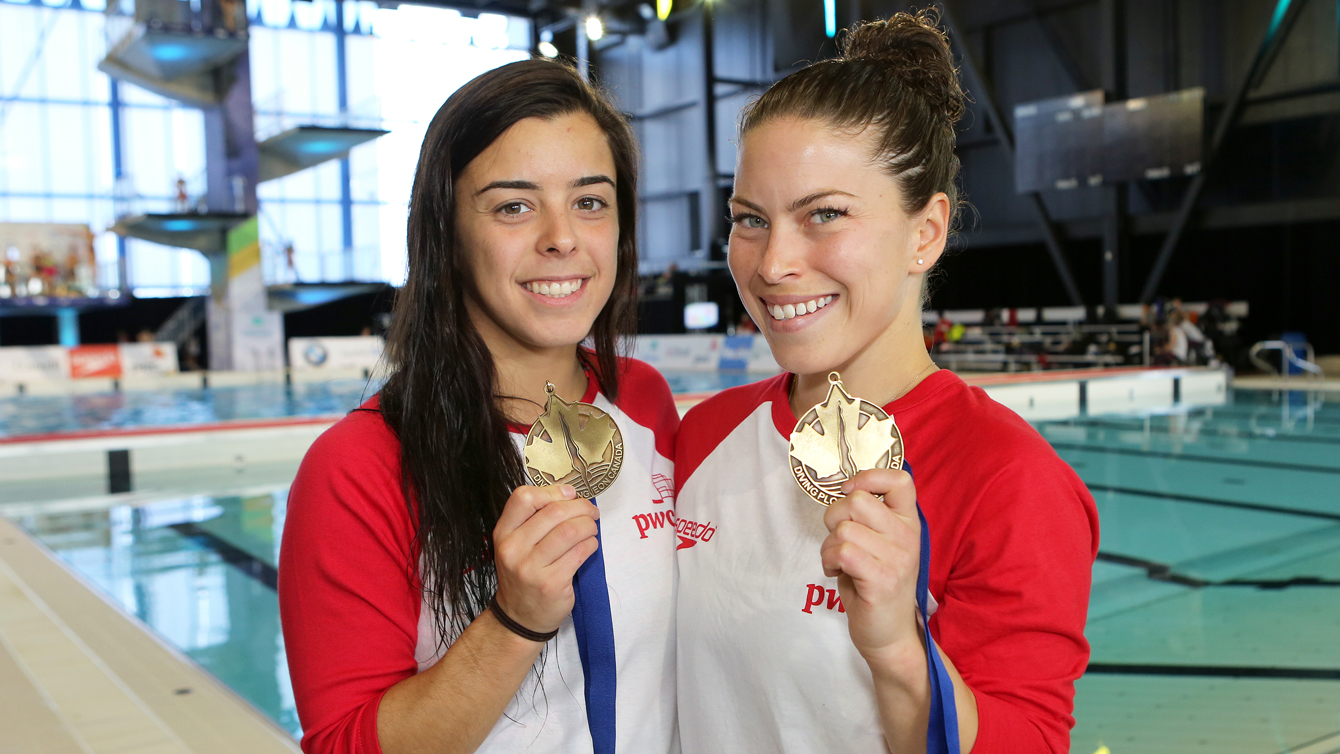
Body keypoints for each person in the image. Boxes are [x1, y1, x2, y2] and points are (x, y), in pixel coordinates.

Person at [674, 11, 1098, 754]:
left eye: (825, 215)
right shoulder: (704, 435)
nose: (773, 264)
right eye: (750, 220)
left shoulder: (1008, 481)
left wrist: (901, 650)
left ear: (925, 232)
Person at [278, 59, 680, 754]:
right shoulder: (360, 467)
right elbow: (343, 743)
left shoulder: (643, 400)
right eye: (514, 206)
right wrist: (513, 621)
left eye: (590, 201)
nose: (561, 238)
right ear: (447, 234)